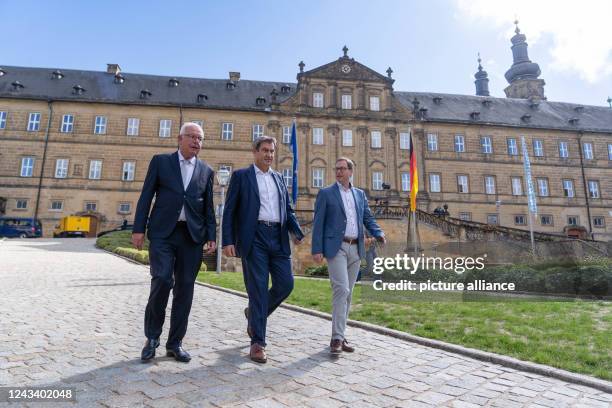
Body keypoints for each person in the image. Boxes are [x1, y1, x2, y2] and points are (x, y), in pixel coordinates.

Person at [132, 122, 216, 363]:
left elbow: (208, 207)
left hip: (191, 236)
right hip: (163, 233)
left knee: (185, 289)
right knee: (162, 279)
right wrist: (139, 228)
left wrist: (212, 235)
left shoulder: (206, 171)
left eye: (200, 138)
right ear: (179, 139)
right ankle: (152, 338)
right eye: (192, 137)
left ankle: (175, 343)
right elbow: (146, 195)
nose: (196, 142)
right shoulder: (160, 162)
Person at [222, 136, 304, 363]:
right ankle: (258, 343)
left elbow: (287, 209)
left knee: (286, 284)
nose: (269, 155)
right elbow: (229, 210)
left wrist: (296, 231)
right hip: (254, 236)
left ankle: (254, 314)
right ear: (255, 152)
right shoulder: (241, 176)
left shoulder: (278, 178)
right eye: (265, 150)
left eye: (272, 151)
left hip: (277, 237)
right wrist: (228, 240)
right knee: (258, 288)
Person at [311, 157, 385, 354]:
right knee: (341, 289)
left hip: (356, 247)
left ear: (351, 172)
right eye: (337, 169)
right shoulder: (326, 193)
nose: (339, 172)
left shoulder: (359, 194)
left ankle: (341, 335)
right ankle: (336, 338)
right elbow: (318, 222)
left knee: (348, 293)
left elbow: (367, 217)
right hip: (337, 247)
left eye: (343, 169)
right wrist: (316, 249)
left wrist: (378, 232)